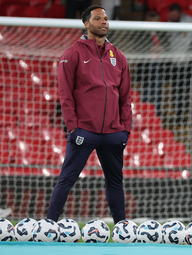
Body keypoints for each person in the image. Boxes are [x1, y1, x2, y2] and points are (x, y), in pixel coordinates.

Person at [47, 5, 132, 223]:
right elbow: (65, 95)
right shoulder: (72, 54)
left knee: (115, 182)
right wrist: (73, 127)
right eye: (97, 19)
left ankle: (121, 228)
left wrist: (126, 129)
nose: (104, 22)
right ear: (86, 23)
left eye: (105, 18)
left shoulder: (119, 57)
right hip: (84, 130)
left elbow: (125, 97)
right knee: (67, 178)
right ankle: (49, 225)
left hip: (114, 133)